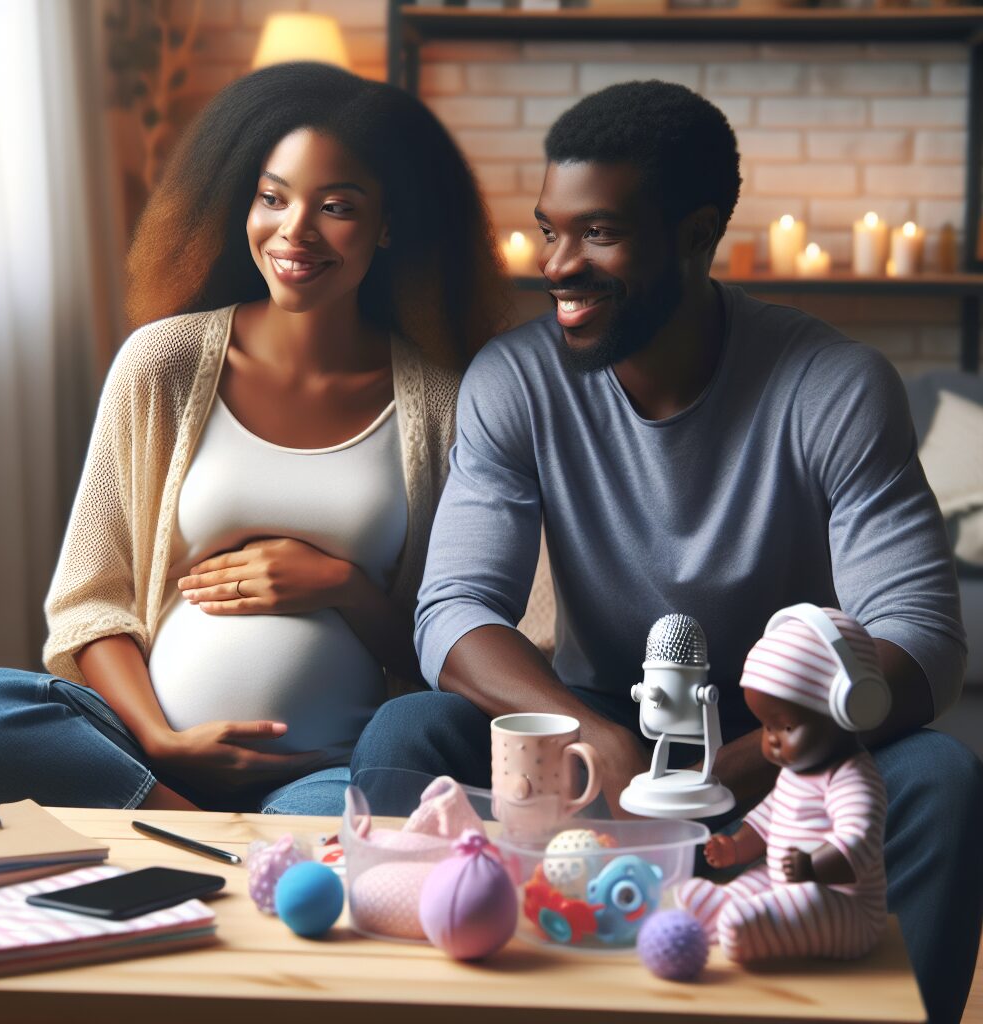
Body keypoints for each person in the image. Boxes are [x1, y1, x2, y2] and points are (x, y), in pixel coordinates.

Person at [349, 81, 982, 1023]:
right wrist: (590, 736)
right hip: (598, 728)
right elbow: (454, 610)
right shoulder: (515, 380)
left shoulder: (835, 385)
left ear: (696, 233)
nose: (558, 265)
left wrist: (751, 759)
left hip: (786, 740)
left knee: (941, 778)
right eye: (550, 230)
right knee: (407, 734)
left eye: (598, 233)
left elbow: (923, 642)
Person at [0, 61, 509, 815]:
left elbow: (445, 647)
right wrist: (161, 741)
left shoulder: (443, 403)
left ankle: (216, 838)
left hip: (327, 774)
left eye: (336, 207)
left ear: (388, 225)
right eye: (273, 197)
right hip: (143, 751)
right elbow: (93, 601)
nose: (295, 231)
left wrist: (342, 586)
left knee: (363, 805)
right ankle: (192, 824)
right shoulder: (165, 362)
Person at [678, 607, 889, 963]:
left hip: (844, 905)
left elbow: (858, 842)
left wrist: (811, 867)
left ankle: (749, 929)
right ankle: (723, 909)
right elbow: (767, 821)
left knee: (803, 902)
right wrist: (736, 847)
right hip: (784, 881)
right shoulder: (794, 775)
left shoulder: (850, 777)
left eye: (786, 726)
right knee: (751, 882)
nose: (772, 739)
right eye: (766, 726)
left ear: (849, 708)